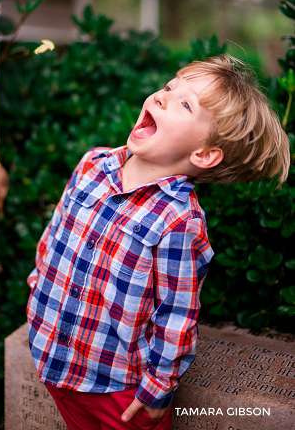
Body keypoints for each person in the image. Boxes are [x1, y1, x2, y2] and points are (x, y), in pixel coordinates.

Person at [27, 54, 290, 430]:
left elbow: (176, 315)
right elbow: (56, 231)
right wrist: (38, 283)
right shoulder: (92, 165)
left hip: (117, 387)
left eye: (185, 104)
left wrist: (156, 389)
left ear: (203, 154)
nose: (161, 97)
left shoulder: (180, 220)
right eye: (169, 87)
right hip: (52, 355)